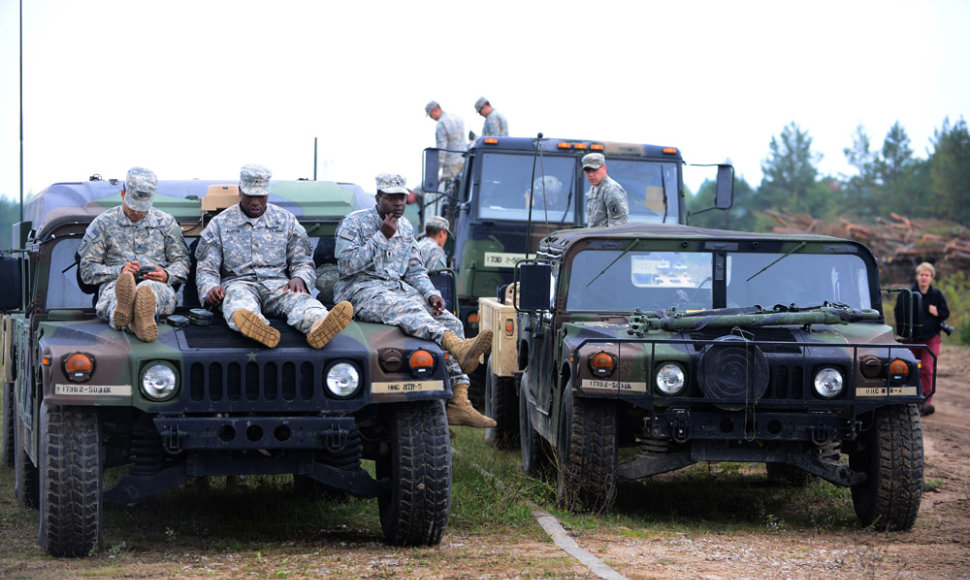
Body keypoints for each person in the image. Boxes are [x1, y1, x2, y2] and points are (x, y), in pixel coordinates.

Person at [334, 173, 495, 428]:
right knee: (408, 308)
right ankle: (457, 348)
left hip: (396, 289)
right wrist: (381, 237)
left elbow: (415, 270)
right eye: (392, 198)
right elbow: (345, 267)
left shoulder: (407, 227)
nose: (399, 203)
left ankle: (459, 402)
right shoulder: (355, 224)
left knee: (452, 321)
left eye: (401, 197)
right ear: (378, 198)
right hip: (361, 290)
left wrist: (432, 293)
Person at [195, 164, 353, 349]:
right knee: (238, 303)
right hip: (239, 283)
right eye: (250, 196)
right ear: (240, 191)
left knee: (301, 301)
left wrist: (299, 278)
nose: (255, 201)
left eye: (260, 196)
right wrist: (210, 289)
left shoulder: (286, 220)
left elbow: (303, 260)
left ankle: (319, 325)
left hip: (278, 284)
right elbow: (206, 268)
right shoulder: (219, 224)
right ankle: (258, 328)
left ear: (267, 194)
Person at [79, 166, 190, 342]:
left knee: (147, 293)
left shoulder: (166, 223)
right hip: (115, 285)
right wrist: (120, 271)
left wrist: (166, 274)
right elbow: (86, 271)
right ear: (123, 194)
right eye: (133, 206)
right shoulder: (103, 224)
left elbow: (182, 262)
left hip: (155, 285)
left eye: (142, 207)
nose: (137, 212)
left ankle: (136, 317)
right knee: (116, 298)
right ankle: (136, 319)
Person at [904, 262, 950, 416]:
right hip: (911, 338)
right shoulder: (909, 293)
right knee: (909, 368)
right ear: (917, 276)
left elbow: (945, 313)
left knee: (927, 369)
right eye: (922, 274)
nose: (924, 278)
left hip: (931, 338)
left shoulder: (936, 295)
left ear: (931, 278)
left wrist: (937, 313)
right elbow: (900, 313)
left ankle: (925, 401)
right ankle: (909, 400)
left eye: (927, 275)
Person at [425, 101, 467, 185]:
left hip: (450, 165)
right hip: (464, 160)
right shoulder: (457, 118)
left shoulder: (441, 124)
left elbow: (441, 150)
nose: (431, 117)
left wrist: (436, 170)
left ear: (435, 110)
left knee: (450, 191)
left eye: (430, 114)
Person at [582, 152, 629, 228]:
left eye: (594, 170)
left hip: (606, 238)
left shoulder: (612, 189)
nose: (590, 174)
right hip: (594, 237)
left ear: (604, 168)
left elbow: (618, 225)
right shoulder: (594, 188)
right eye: (587, 170)